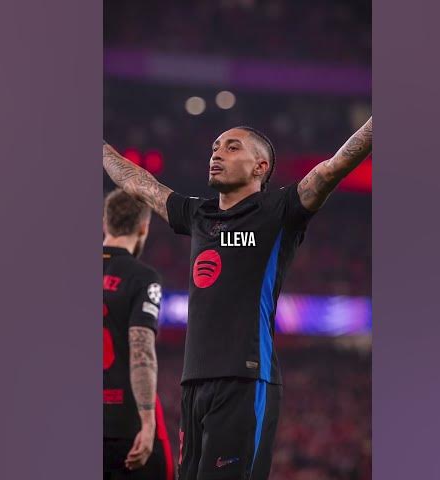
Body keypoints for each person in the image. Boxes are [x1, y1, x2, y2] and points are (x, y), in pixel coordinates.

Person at [103, 117, 372, 480]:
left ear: (260, 167)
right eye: (215, 147)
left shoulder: (279, 209)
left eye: (232, 147)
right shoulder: (199, 214)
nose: (217, 154)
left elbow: (333, 167)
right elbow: (140, 184)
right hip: (194, 381)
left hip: (245, 379)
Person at [103, 189, 174, 480]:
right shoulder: (143, 278)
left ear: (105, 223)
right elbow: (141, 350)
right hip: (124, 424)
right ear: (144, 228)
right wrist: (147, 423)